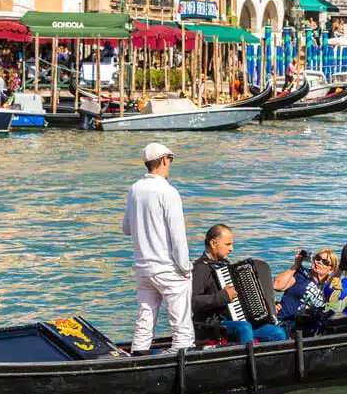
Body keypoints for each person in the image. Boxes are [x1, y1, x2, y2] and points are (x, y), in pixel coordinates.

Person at [122, 143, 194, 354]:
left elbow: (126, 228)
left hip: (142, 267)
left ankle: (138, 356)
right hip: (166, 267)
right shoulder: (168, 192)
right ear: (163, 160)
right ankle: (182, 357)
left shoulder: (134, 189)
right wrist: (185, 269)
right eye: (170, 160)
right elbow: (178, 237)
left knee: (145, 318)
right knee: (181, 325)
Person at [191, 224, 286, 345]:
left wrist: (269, 305)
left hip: (235, 320)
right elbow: (192, 302)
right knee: (244, 328)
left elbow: (243, 297)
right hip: (212, 324)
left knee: (277, 332)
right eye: (227, 244)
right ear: (214, 243)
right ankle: (247, 363)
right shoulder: (200, 268)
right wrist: (222, 296)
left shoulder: (225, 266)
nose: (231, 249)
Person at [274, 248, 338, 333]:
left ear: (331, 270)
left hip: (306, 328)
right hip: (284, 322)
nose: (319, 262)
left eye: (325, 262)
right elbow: (277, 286)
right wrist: (296, 265)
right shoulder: (301, 274)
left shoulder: (328, 288)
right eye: (318, 258)